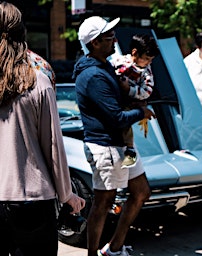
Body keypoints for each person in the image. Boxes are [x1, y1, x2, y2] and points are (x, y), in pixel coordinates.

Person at [0, 2, 85, 255]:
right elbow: (53, 145)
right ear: (22, 31)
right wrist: (67, 194)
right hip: (31, 198)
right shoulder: (39, 79)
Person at [73, 16, 155, 256]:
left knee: (141, 192)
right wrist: (142, 111)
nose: (114, 40)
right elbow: (116, 117)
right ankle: (93, 254)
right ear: (95, 42)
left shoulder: (104, 65)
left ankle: (114, 248)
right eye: (109, 37)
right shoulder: (93, 76)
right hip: (107, 148)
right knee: (103, 204)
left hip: (121, 146)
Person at [110, 34, 159, 168]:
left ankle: (130, 149)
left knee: (125, 120)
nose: (149, 62)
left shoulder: (146, 72)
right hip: (114, 99)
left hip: (131, 101)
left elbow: (147, 91)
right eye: (147, 59)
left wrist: (129, 89)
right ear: (135, 53)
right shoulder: (118, 62)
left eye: (151, 59)